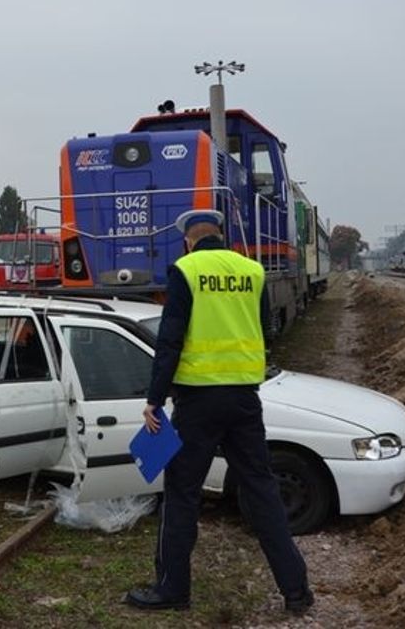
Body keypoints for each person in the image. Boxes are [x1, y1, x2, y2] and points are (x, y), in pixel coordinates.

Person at [124, 209, 313, 614]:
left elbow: (170, 341)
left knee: (182, 494)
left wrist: (154, 399)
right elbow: (264, 330)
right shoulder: (252, 271)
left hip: (197, 402)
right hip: (245, 400)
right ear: (222, 236)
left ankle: (173, 590)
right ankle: (297, 591)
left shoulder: (186, 270)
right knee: (262, 491)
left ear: (188, 240)